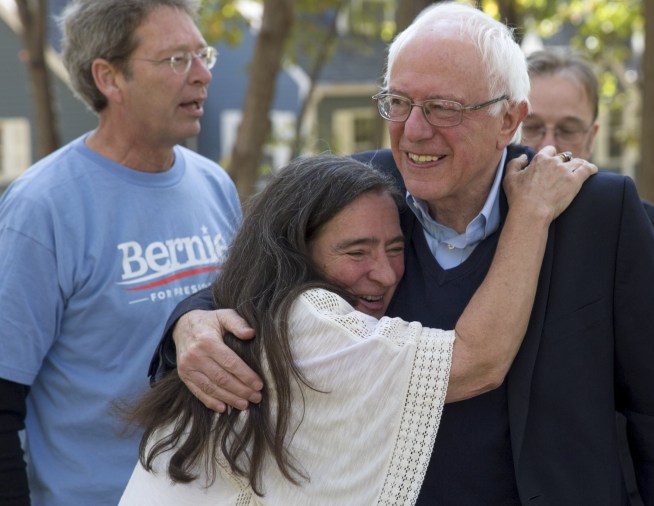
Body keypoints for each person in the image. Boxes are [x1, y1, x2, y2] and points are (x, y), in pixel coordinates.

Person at [151, 3, 654, 504]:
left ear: (509, 119)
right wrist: (191, 321)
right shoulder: (355, 191)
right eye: (398, 102)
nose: (414, 131)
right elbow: (253, 278)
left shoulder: (596, 210)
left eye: (444, 107)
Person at [119, 153, 591, 504]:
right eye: (357, 252)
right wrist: (532, 212)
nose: (384, 274)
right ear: (294, 251)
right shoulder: (308, 320)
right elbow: (478, 362)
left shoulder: (255, 309)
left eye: (394, 247)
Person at [0, 0, 241, 504]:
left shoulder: (214, 185)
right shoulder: (42, 209)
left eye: (203, 55)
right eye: (177, 59)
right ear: (109, 78)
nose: (202, 76)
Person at [522, 46, 654, 506]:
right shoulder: (478, 230)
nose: (547, 145)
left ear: (592, 135)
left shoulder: (649, 232)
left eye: (566, 129)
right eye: (532, 126)